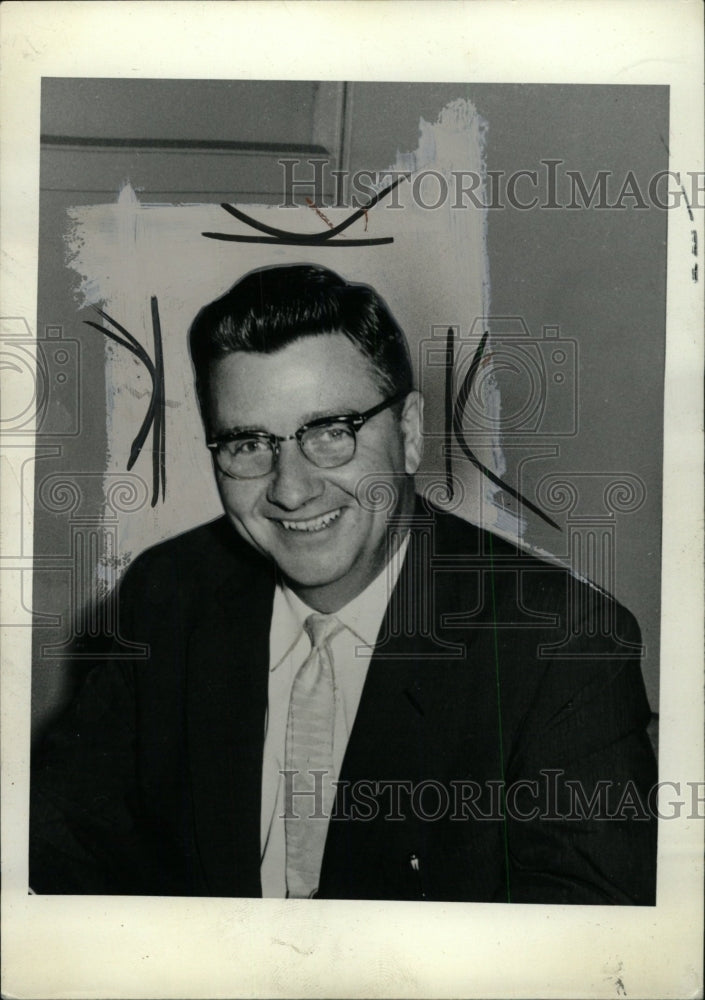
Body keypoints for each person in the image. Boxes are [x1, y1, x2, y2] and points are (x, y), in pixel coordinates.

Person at [30, 264, 657, 903]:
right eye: (248, 444)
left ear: (409, 435)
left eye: (331, 433)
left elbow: (580, 948)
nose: (291, 490)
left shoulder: (563, 645)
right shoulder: (166, 596)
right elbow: (54, 852)